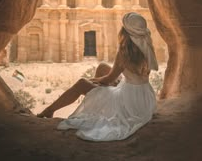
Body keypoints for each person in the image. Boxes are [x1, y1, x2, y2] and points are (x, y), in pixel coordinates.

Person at [37, 12, 158, 141]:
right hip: (144, 98)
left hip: (128, 103)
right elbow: (135, 75)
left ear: (125, 31)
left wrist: (92, 81)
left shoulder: (124, 52)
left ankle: (49, 111)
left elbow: (108, 79)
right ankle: (97, 100)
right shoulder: (148, 48)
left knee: (82, 84)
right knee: (102, 67)